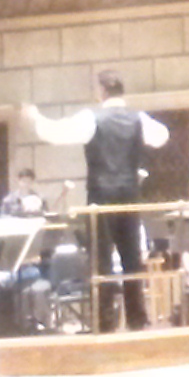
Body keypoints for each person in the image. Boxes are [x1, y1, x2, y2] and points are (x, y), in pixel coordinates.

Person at [29, 72, 166, 331]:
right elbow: (162, 136)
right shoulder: (138, 118)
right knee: (131, 258)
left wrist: (35, 117)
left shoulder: (92, 118)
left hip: (100, 198)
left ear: (101, 91)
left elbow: (56, 133)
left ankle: (104, 322)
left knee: (101, 261)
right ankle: (137, 319)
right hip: (130, 197)